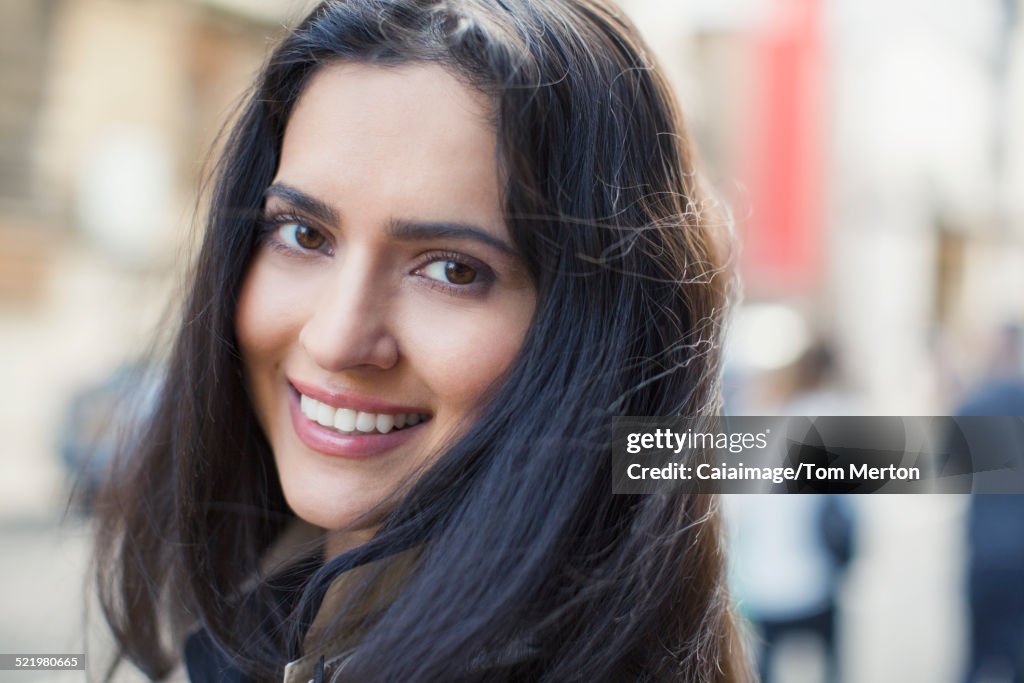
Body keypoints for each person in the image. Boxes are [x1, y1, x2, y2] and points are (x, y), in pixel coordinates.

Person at [92, 1, 752, 681]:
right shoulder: (254, 627)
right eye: (304, 234)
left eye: (452, 270)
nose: (337, 337)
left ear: (605, 335)